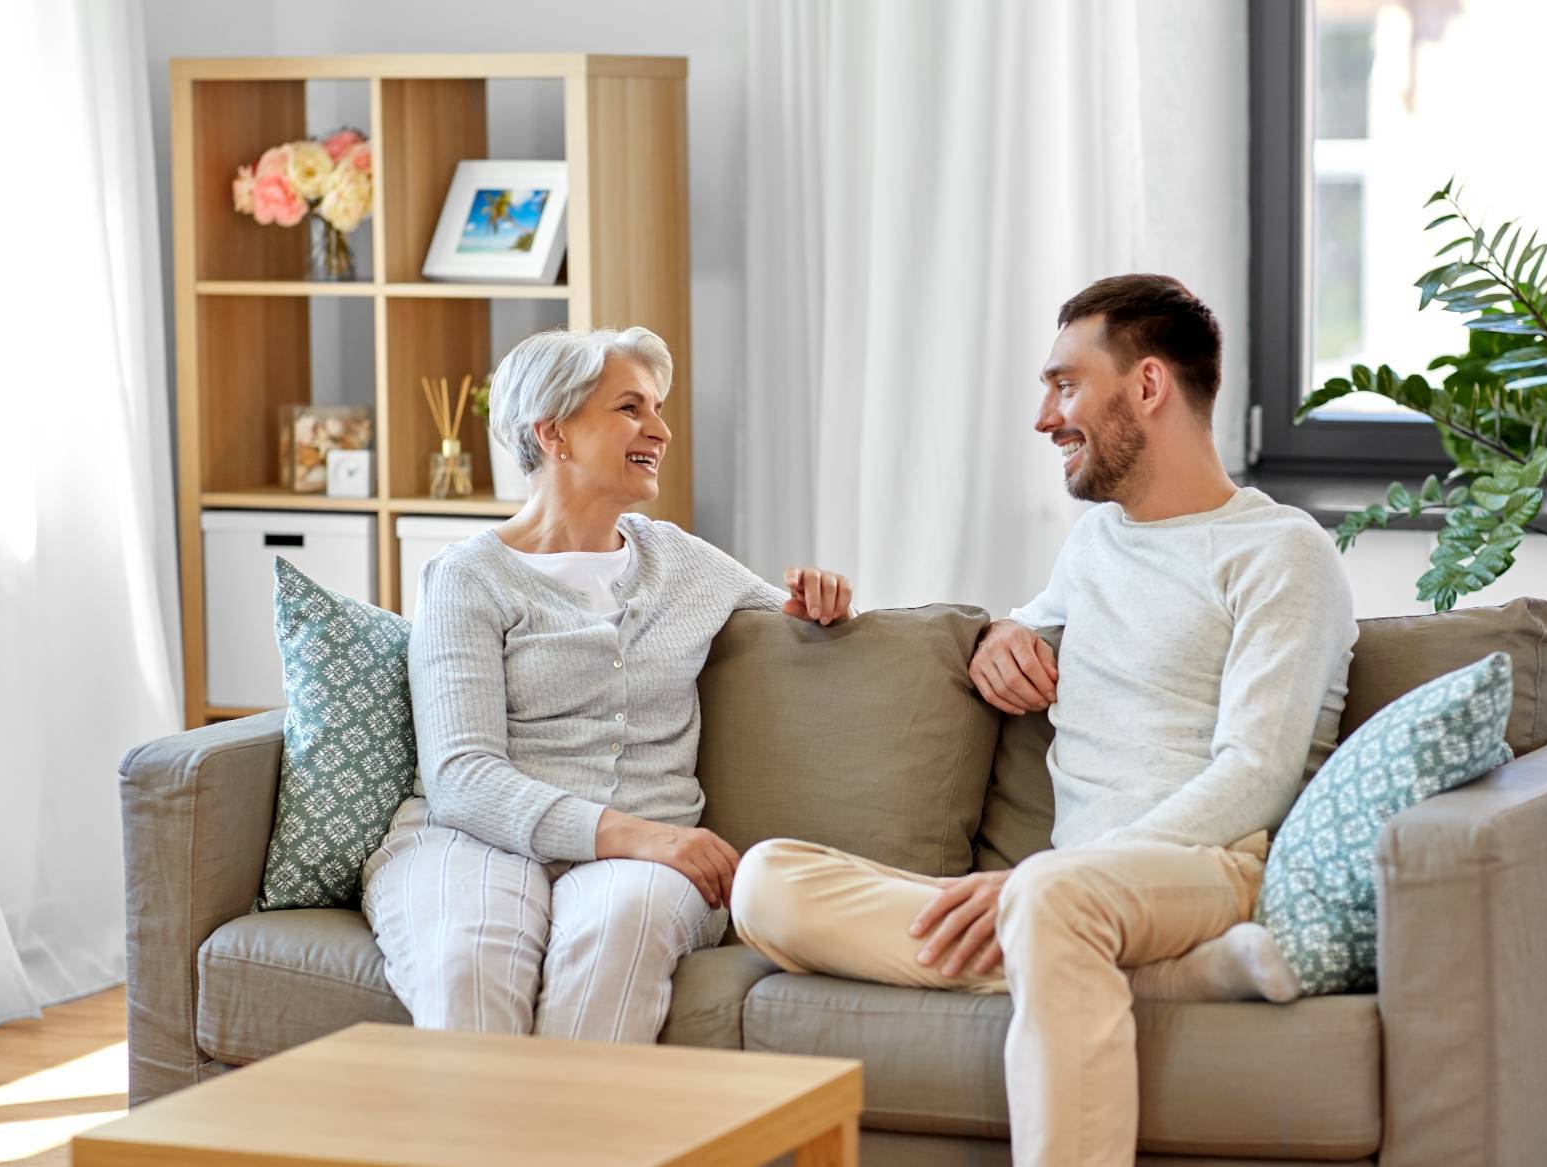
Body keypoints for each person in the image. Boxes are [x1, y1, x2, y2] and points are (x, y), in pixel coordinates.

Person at [729, 275, 1357, 1167]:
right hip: (1071, 895)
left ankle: (1086, 932)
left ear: (1147, 387)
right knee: (767, 882)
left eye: (1065, 384)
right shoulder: (1095, 541)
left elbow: (1256, 773)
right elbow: (1037, 615)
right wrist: (1003, 633)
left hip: (1204, 866)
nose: (1043, 416)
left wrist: (1057, 878)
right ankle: (1171, 975)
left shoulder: (1284, 553)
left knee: (1049, 896)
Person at [362, 325, 853, 1042]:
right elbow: (462, 777)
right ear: (554, 432)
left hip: (647, 862)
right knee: (468, 964)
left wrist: (826, 598)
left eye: (656, 408)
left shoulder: (681, 562)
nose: (660, 429)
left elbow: (799, 620)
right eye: (631, 408)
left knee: (611, 953)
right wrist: (640, 836)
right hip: (476, 838)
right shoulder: (467, 577)